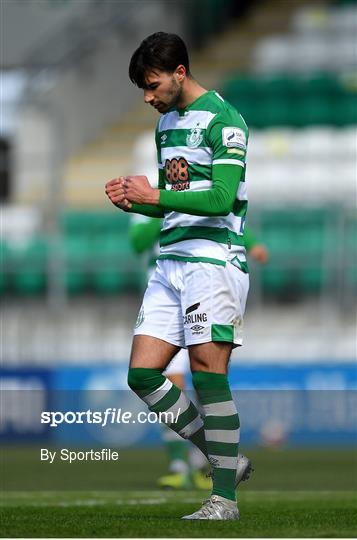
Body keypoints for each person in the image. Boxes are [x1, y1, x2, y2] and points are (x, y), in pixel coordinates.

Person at [105, 31, 252, 520]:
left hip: (213, 262)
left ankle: (224, 499)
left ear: (179, 73)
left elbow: (220, 201)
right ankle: (226, 457)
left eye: (152, 85)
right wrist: (137, 201)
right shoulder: (166, 122)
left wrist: (153, 196)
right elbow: (175, 206)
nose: (147, 97)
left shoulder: (225, 121)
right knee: (142, 373)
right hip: (171, 261)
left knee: (208, 372)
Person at [130, 213, 268, 490]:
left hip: (205, 285)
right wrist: (167, 210)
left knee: (207, 383)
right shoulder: (148, 196)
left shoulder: (196, 184)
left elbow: (226, 208)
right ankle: (181, 465)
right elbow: (138, 242)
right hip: (166, 294)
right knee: (168, 382)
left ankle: (203, 465)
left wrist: (252, 243)